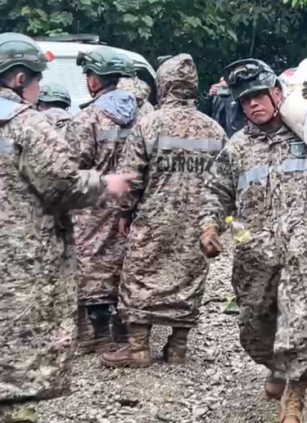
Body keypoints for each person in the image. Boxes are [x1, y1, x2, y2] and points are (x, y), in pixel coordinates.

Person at [0, 32, 137, 422]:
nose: (38, 89)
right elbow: (61, 185)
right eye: (36, 81)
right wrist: (106, 184)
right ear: (18, 79)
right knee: (15, 379)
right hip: (20, 275)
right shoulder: (29, 126)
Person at [200, 58, 307, 423]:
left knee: (304, 325)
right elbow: (216, 192)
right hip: (255, 260)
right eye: (245, 100)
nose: (253, 104)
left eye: (259, 96)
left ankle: (294, 398)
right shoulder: (237, 147)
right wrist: (209, 226)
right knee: (253, 329)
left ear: (278, 93)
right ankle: (276, 367)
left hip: (304, 253)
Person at [99, 54, 226, 368]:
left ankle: (138, 347)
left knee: (140, 277)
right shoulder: (215, 130)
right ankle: (178, 347)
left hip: (154, 220)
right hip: (198, 223)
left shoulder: (148, 124)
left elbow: (129, 179)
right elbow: (225, 184)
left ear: (164, 84)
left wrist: (124, 214)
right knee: (190, 276)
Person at [64, 46, 139, 355]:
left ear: (94, 80)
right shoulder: (142, 115)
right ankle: (124, 332)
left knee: (91, 266)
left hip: (93, 205)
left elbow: (70, 167)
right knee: (125, 265)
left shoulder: (86, 119)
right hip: (130, 203)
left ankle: (97, 334)